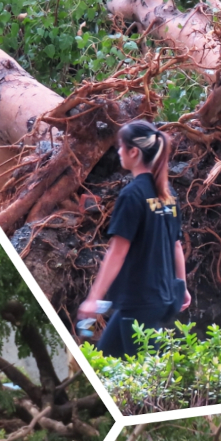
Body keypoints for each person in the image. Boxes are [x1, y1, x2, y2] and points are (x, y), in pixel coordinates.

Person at [76, 120, 190, 358]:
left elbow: (117, 252)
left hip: (140, 301)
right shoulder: (168, 194)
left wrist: (92, 299)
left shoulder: (132, 195)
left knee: (149, 378)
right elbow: (176, 245)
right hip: (161, 297)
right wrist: (183, 287)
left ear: (134, 152)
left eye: (120, 147)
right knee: (106, 360)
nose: (118, 152)